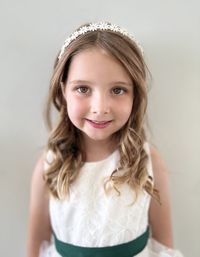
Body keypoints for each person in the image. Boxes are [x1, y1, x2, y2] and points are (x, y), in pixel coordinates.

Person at [27, 22, 184, 257]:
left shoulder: (148, 161)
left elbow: (165, 244)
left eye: (118, 90)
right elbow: (35, 247)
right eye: (83, 88)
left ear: (136, 95)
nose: (100, 108)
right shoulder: (49, 164)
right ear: (63, 91)